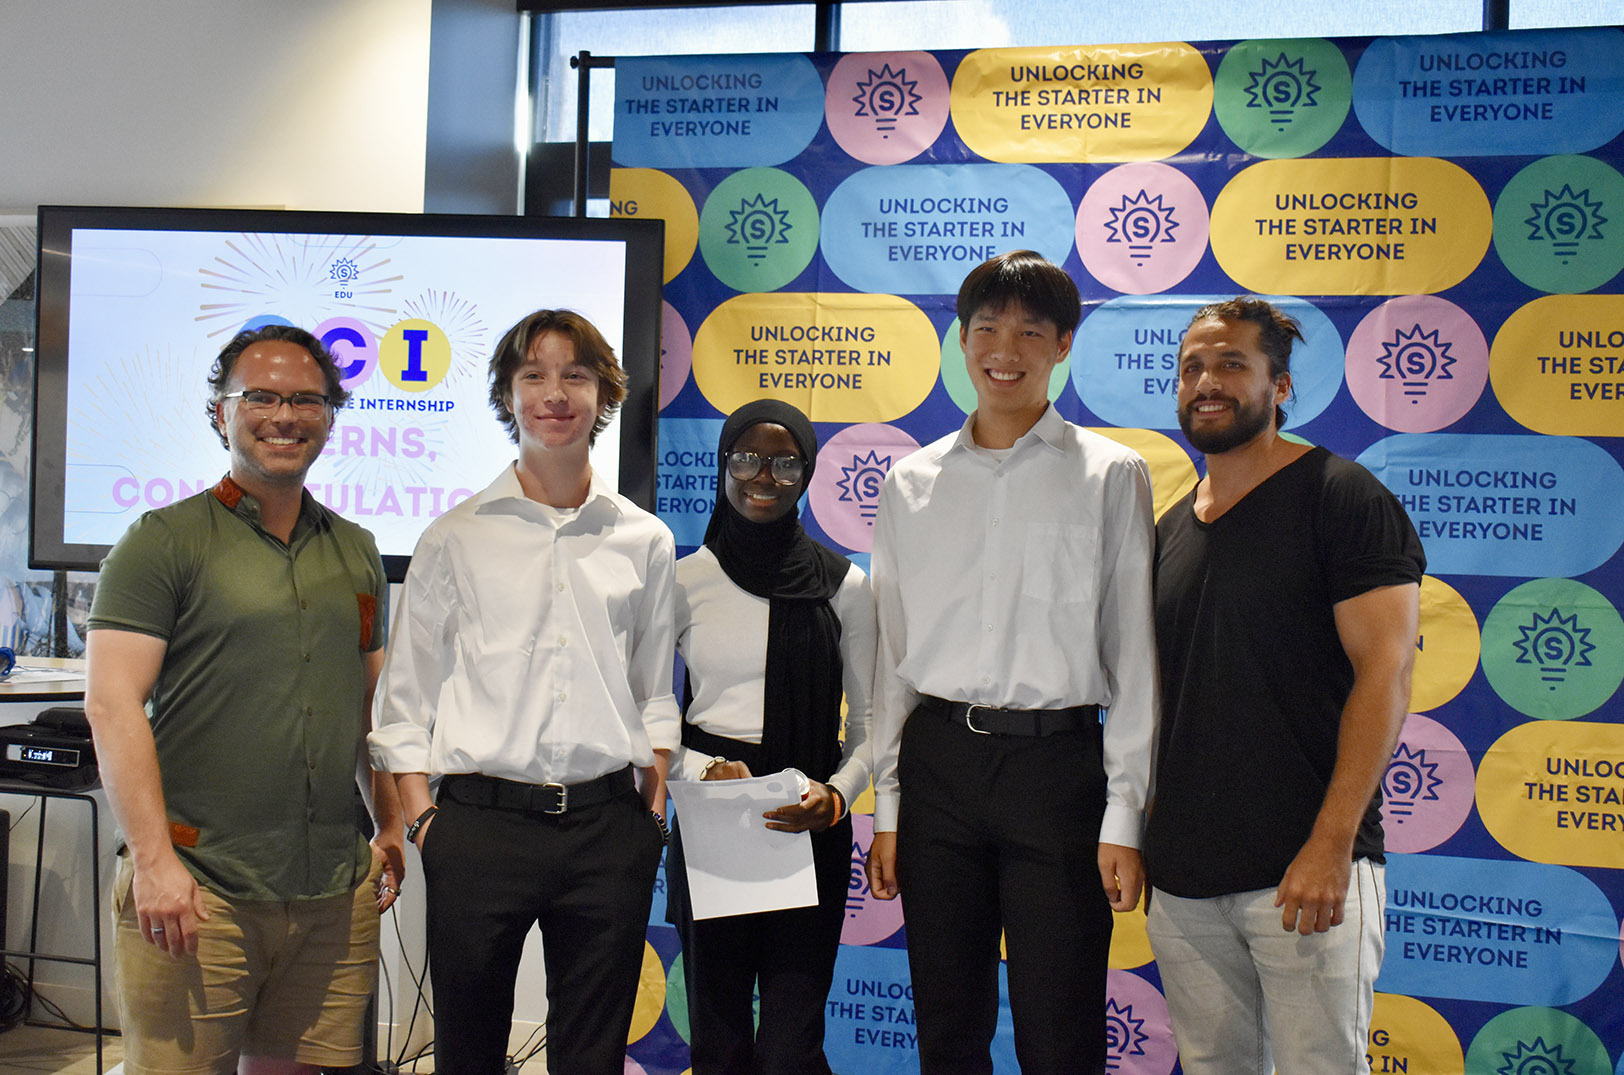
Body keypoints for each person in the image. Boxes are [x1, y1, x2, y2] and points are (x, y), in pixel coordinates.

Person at [864, 250, 1158, 1074]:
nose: (1005, 349)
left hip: (1057, 771)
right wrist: (888, 807)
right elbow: (893, 658)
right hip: (939, 766)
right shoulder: (910, 482)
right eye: (988, 328)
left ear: (1063, 344)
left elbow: (1135, 656)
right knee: (947, 1022)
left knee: (1060, 1028)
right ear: (961, 340)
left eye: (1031, 331)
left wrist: (1124, 815)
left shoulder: (1111, 474)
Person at [84, 324, 403, 1075]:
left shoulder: (356, 548)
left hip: (330, 891)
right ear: (220, 412)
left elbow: (370, 705)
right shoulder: (161, 542)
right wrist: (155, 862)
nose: (284, 415)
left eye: (306, 400)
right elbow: (111, 704)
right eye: (260, 396)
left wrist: (390, 823)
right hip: (198, 888)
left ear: (331, 416)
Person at [368, 308, 679, 1075]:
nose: (555, 393)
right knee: (469, 1052)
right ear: (507, 396)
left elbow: (653, 688)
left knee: (591, 1055)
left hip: (608, 828)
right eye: (533, 375)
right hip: (478, 827)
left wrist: (652, 802)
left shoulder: (644, 538)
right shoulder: (455, 536)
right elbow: (405, 700)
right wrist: (425, 819)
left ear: (604, 393)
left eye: (575, 374)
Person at [1144, 298, 1424, 1075]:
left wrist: (1331, 844)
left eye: (1232, 363)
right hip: (1185, 882)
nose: (1207, 382)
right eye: (1192, 367)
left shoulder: (1343, 497)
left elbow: (1387, 672)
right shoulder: (1168, 529)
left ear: (1281, 385)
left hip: (1306, 873)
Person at [667, 399, 876, 1074]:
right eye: (748, 458)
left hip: (808, 819)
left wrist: (837, 797)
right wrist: (699, 769)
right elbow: (646, 716)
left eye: (786, 463)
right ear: (723, 464)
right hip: (714, 817)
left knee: (791, 1050)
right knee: (720, 1042)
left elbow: (871, 725)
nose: (765, 476)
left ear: (807, 473)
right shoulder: (682, 581)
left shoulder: (846, 586)